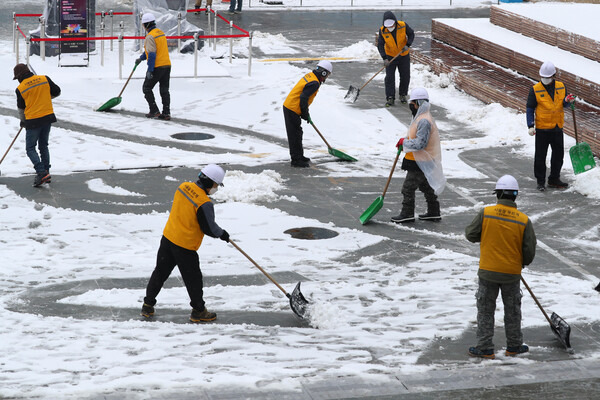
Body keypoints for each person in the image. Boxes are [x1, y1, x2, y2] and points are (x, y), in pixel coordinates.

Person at [141, 164, 230, 323]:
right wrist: (222, 234)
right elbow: (209, 228)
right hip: (185, 247)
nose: (216, 188)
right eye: (216, 185)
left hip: (168, 238)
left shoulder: (182, 187)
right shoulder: (204, 202)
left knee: (160, 273)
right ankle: (199, 311)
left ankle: (147, 305)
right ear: (210, 182)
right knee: (193, 280)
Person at [465, 175, 537, 359]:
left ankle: (484, 347)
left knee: (485, 310)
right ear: (515, 196)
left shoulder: (486, 213)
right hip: (511, 274)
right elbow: (529, 250)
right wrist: (522, 263)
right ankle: (513, 346)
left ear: (498, 194)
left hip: (488, 271)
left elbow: (471, 234)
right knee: (512, 311)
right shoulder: (523, 220)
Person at [392, 87, 445, 223]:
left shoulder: (424, 120)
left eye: (413, 104)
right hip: (419, 159)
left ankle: (407, 213)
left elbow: (421, 143)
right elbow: (414, 135)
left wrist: (405, 142)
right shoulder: (419, 117)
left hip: (422, 160)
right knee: (425, 186)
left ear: (419, 103)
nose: (411, 106)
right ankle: (434, 211)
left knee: (408, 188)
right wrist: (404, 141)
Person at [526, 61, 575, 192]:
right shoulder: (535, 89)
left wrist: (567, 101)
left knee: (558, 155)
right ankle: (540, 181)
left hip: (557, 127)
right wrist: (530, 125)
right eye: (543, 77)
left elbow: (564, 104)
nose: (545, 80)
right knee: (540, 157)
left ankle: (554, 179)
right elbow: (530, 108)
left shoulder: (561, 86)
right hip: (542, 129)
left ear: (554, 76)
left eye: (548, 77)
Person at [14, 63, 61, 187]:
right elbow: (57, 91)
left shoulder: (20, 88)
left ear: (19, 76)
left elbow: (21, 109)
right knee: (43, 146)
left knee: (30, 148)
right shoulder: (44, 78)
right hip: (47, 117)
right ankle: (46, 173)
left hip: (33, 121)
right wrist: (44, 98)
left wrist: (23, 121)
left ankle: (41, 172)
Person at [283, 60, 333, 168]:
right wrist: (305, 113)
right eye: (327, 74)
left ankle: (299, 156)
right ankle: (296, 160)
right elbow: (303, 97)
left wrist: (304, 112)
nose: (326, 77)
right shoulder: (314, 83)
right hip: (292, 108)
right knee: (295, 135)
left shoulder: (311, 76)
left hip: (291, 106)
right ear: (324, 73)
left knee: (297, 133)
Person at [135, 13, 172, 120]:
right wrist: (141, 58)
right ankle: (166, 112)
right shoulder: (160, 33)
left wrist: (150, 70)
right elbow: (155, 50)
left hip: (157, 66)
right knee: (164, 90)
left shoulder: (150, 36)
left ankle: (154, 110)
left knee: (146, 88)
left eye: (143, 25)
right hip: (167, 65)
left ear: (146, 25)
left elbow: (152, 54)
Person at [377, 11, 415, 107]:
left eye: (391, 25)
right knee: (389, 77)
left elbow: (411, 34)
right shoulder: (382, 31)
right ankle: (390, 97)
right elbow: (380, 45)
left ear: (395, 22)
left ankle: (403, 95)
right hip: (390, 57)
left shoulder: (403, 25)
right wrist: (384, 58)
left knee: (405, 76)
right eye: (388, 26)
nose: (390, 27)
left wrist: (408, 45)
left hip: (403, 55)